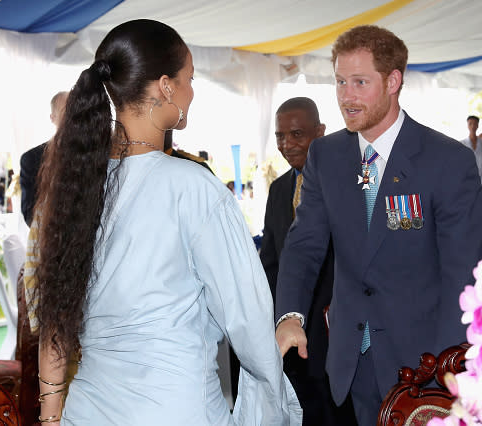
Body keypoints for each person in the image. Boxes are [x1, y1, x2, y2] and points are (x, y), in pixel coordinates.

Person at [30, 19, 300, 425]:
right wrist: (277, 347)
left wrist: (51, 418)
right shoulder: (194, 187)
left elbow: (55, 319)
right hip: (175, 407)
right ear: (165, 86)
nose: (192, 92)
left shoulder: (76, 188)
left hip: (88, 410)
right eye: (189, 79)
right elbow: (246, 314)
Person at [274, 25, 482, 425]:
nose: (346, 96)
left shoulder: (447, 161)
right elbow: (304, 244)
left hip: (425, 364)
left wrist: (444, 370)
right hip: (351, 357)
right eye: (340, 81)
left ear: (393, 82)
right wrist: (290, 315)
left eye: (359, 82)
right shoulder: (327, 155)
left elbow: (464, 276)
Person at [261, 98, 356, 425]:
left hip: (340, 335)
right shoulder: (278, 190)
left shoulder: (348, 184)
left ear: (320, 132)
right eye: (280, 136)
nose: (287, 144)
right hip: (294, 339)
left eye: (297, 134)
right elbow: (271, 263)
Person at [19, 91, 68, 226]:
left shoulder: (95, 154)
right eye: (66, 111)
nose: (72, 117)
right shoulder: (33, 158)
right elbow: (30, 214)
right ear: (53, 118)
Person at [460, 116, 482, 205]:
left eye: (475, 124)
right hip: (466, 187)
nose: (472, 126)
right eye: (470, 124)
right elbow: (459, 166)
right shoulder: (461, 144)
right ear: (467, 125)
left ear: (477, 126)